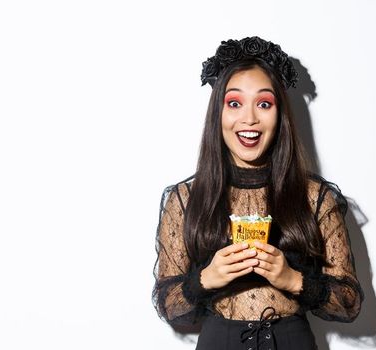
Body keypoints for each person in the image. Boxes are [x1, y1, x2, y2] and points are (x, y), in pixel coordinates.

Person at [152, 36, 364, 350]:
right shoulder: (185, 198)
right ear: (218, 114)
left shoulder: (315, 197)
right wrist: (206, 279)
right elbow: (167, 304)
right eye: (234, 103)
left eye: (263, 104)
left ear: (280, 116)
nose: (249, 118)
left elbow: (349, 302)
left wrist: (293, 280)